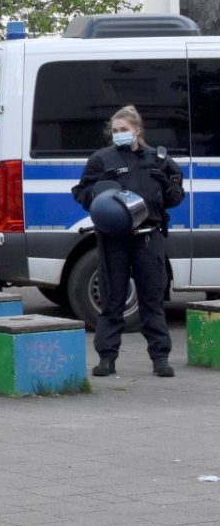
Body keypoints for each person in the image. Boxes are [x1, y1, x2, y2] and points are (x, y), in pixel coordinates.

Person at [71, 105, 183, 378]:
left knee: (152, 299)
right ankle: (107, 358)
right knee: (112, 298)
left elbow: (176, 196)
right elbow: (81, 193)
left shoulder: (158, 159)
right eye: (116, 130)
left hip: (148, 237)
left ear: (137, 131)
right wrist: (98, 190)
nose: (120, 134)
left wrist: (167, 186)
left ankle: (160, 358)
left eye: (125, 130)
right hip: (114, 239)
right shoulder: (101, 159)